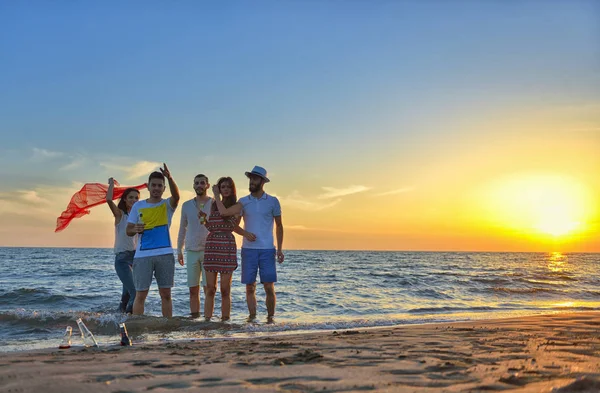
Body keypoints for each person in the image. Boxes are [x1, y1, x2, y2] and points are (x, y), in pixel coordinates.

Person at [212, 166, 284, 321]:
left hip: (267, 250)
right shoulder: (243, 202)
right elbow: (230, 221)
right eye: (250, 178)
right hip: (248, 250)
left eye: (255, 178)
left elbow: (279, 225)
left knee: (268, 287)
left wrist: (279, 249)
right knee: (249, 287)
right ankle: (252, 320)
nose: (252, 181)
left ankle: (270, 320)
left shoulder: (272, 201)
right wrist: (245, 233)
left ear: (262, 181)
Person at [126, 164, 180, 317]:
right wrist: (135, 228)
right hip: (142, 256)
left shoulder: (166, 205)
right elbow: (128, 230)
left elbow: (176, 197)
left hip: (165, 254)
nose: (156, 188)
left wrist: (169, 178)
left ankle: (167, 327)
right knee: (140, 295)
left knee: (166, 294)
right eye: (153, 185)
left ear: (164, 188)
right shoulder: (138, 205)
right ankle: (137, 326)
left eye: (159, 186)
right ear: (148, 187)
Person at [200, 177, 240, 321]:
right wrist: (203, 219)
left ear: (232, 189)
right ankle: (207, 320)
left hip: (227, 246)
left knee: (225, 289)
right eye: (223, 187)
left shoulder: (237, 206)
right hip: (212, 245)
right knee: (210, 289)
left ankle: (225, 320)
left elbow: (227, 219)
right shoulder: (214, 205)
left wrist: (216, 196)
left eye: (228, 186)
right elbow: (211, 227)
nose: (226, 189)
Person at [177, 174, 212, 318]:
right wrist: (179, 249)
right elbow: (182, 228)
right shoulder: (186, 205)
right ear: (193, 185)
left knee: (209, 289)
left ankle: (208, 319)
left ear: (207, 185)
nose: (199, 185)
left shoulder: (214, 203)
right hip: (191, 251)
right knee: (193, 290)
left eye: (202, 183)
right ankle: (194, 319)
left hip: (209, 250)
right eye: (196, 183)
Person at [106, 178, 140, 313]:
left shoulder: (138, 217)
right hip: (122, 259)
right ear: (125, 199)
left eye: (136, 198)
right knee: (135, 293)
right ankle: (130, 320)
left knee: (126, 295)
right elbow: (109, 200)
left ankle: (118, 320)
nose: (134, 200)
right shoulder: (120, 215)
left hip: (136, 258)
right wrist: (111, 185)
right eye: (131, 197)